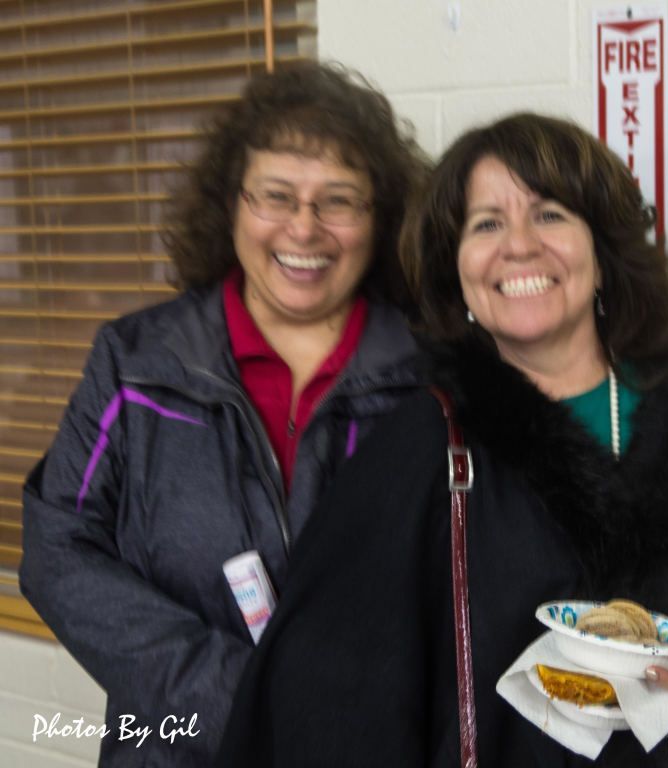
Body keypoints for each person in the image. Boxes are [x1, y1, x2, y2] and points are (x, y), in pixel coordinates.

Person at [218, 114, 668, 767]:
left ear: (603, 255)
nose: (519, 246)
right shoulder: (421, 444)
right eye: (487, 223)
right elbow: (325, 693)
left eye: (550, 215)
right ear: (458, 267)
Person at [20, 60, 429, 766]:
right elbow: (57, 554)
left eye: (339, 201)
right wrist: (238, 695)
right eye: (275, 196)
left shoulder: (430, 380)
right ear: (232, 205)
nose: (304, 228)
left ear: (379, 218)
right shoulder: (136, 362)